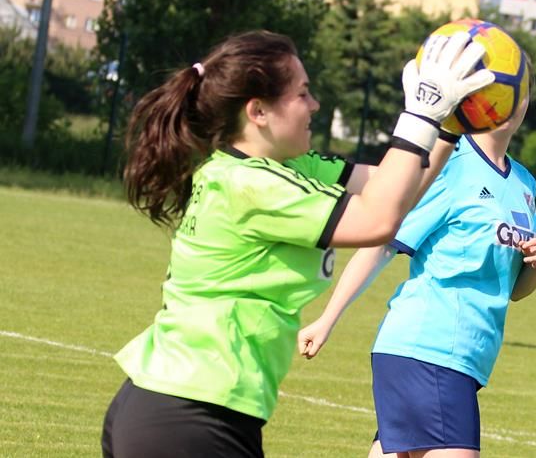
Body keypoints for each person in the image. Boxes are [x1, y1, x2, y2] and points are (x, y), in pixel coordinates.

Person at [100, 29, 495, 458]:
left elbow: (397, 191)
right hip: (191, 414)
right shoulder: (251, 185)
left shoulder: (272, 167)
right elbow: (378, 220)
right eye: (302, 94)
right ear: (258, 111)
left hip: (175, 406)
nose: (315, 105)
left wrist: (444, 128)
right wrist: (419, 115)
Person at [296, 64, 536, 458]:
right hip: (427, 348)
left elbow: (515, 291)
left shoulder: (524, 183)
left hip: (467, 357)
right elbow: (381, 244)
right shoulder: (451, 165)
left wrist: (534, 262)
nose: (513, 100)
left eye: (522, 89)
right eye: (502, 88)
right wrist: (328, 318)